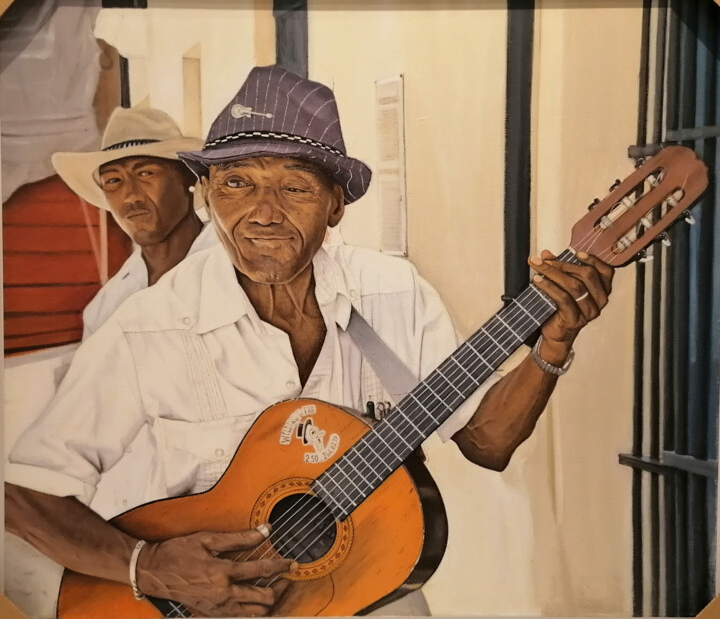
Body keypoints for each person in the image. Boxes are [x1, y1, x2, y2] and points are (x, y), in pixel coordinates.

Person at [6, 66, 614, 618]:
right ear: (209, 194)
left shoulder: (391, 294)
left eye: (294, 187)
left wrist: (551, 345)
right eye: (237, 183)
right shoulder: (150, 327)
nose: (262, 212)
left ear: (336, 206)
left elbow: (485, 441)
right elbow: (26, 497)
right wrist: (149, 568)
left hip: (362, 591)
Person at [51, 106, 218, 338]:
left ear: (188, 176)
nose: (130, 196)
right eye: (113, 180)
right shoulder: (106, 309)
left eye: (146, 173)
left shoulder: (237, 264)